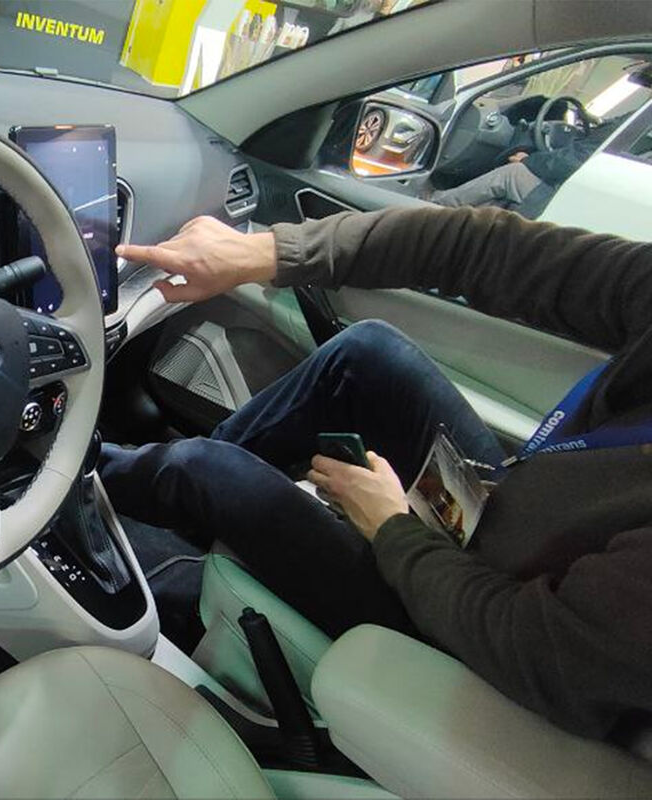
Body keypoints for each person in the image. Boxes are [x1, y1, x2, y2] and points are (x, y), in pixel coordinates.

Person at [101, 208, 652, 741]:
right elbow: (480, 248)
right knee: (365, 356)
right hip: (511, 519)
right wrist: (267, 252)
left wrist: (393, 530)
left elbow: (542, 656)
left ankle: (80, 478)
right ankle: (162, 513)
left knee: (205, 469)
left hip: (483, 636)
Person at [430, 111, 627, 211]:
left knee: (513, 174)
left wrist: (529, 160)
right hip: (590, 199)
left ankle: (433, 206)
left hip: (566, 198)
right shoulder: (637, 122)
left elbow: (574, 161)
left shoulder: (638, 122)